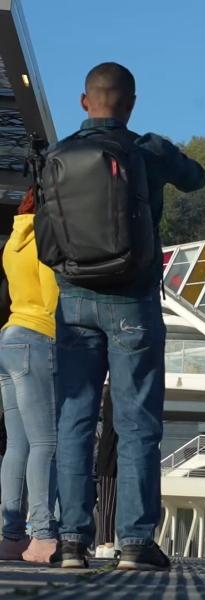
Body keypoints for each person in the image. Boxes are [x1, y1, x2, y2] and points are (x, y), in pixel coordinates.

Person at [52, 62, 205, 570]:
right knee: (137, 422)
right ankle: (135, 544)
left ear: (84, 102)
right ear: (132, 104)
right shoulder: (148, 150)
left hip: (73, 299)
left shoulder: (59, 155)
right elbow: (196, 179)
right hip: (132, 300)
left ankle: (71, 542)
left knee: (75, 420)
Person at [0, 187, 60, 563]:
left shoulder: (13, 240)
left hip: (9, 337)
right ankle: (41, 536)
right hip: (39, 337)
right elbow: (52, 296)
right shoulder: (48, 235)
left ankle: (10, 536)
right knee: (45, 443)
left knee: (17, 444)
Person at [94, 387, 118, 559]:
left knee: (105, 502)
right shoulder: (118, 394)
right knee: (109, 502)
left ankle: (103, 542)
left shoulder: (108, 397)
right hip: (112, 454)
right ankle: (108, 542)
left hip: (105, 455)